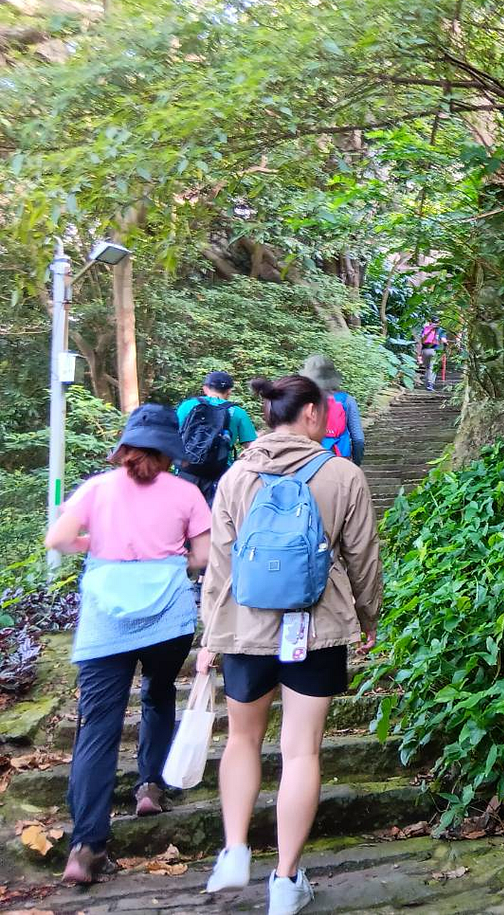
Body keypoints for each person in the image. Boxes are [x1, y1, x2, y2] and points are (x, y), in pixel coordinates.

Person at [199, 375, 380, 915]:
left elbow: (220, 564)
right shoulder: (342, 474)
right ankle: (285, 880)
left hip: (245, 628)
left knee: (241, 740)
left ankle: (235, 850)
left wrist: (211, 632)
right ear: (310, 414)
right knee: (301, 750)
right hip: (315, 629)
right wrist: (368, 617)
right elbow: (362, 558)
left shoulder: (235, 476)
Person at [44, 405, 211, 885]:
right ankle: (150, 786)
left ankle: (86, 846)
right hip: (167, 619)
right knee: (158, 694)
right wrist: (169, 561)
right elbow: (202, 556)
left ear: (125, 446)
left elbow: (58, 539)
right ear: (170, 451)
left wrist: (95, 546)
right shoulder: (186, 492)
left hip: (105, 622)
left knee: (98, 728)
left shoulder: (96, 488)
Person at [175, 371, 258, 505]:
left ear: (205, 388)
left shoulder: (187, 406)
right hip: (220, 474)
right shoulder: (238, 412)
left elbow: (173, 435)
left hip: (187, 470)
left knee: (183, 511)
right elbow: (252, 447)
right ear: (229, 391)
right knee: (216, 514)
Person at [299, 355, 364, 465]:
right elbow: (358, 439)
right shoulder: (347, 400)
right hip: (341, 459)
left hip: (311, 459)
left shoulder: (302, 400)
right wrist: (356, 463)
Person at [418, 319, 443, 391]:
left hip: (425, 350)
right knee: (432, 368)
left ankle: (427, 384)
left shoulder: (425, 329)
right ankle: (430, 384)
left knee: (428, 368)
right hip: (434, 350)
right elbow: (443, 341)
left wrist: (419, 354)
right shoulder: (440, 330)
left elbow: (421, 341)